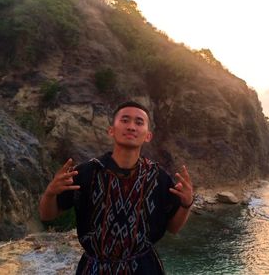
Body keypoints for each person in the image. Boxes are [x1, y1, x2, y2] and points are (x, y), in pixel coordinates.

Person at [39, 101, 193, 274]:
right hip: (95, 268)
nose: (132, 127)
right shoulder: (87, 172)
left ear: (148, 136)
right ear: (111, 130)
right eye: (125, 120)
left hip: (144, 268)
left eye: (139, 122)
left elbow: (173, 228)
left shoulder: (158, 177)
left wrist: (186, 204)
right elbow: (47, 215)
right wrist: (50, 193)